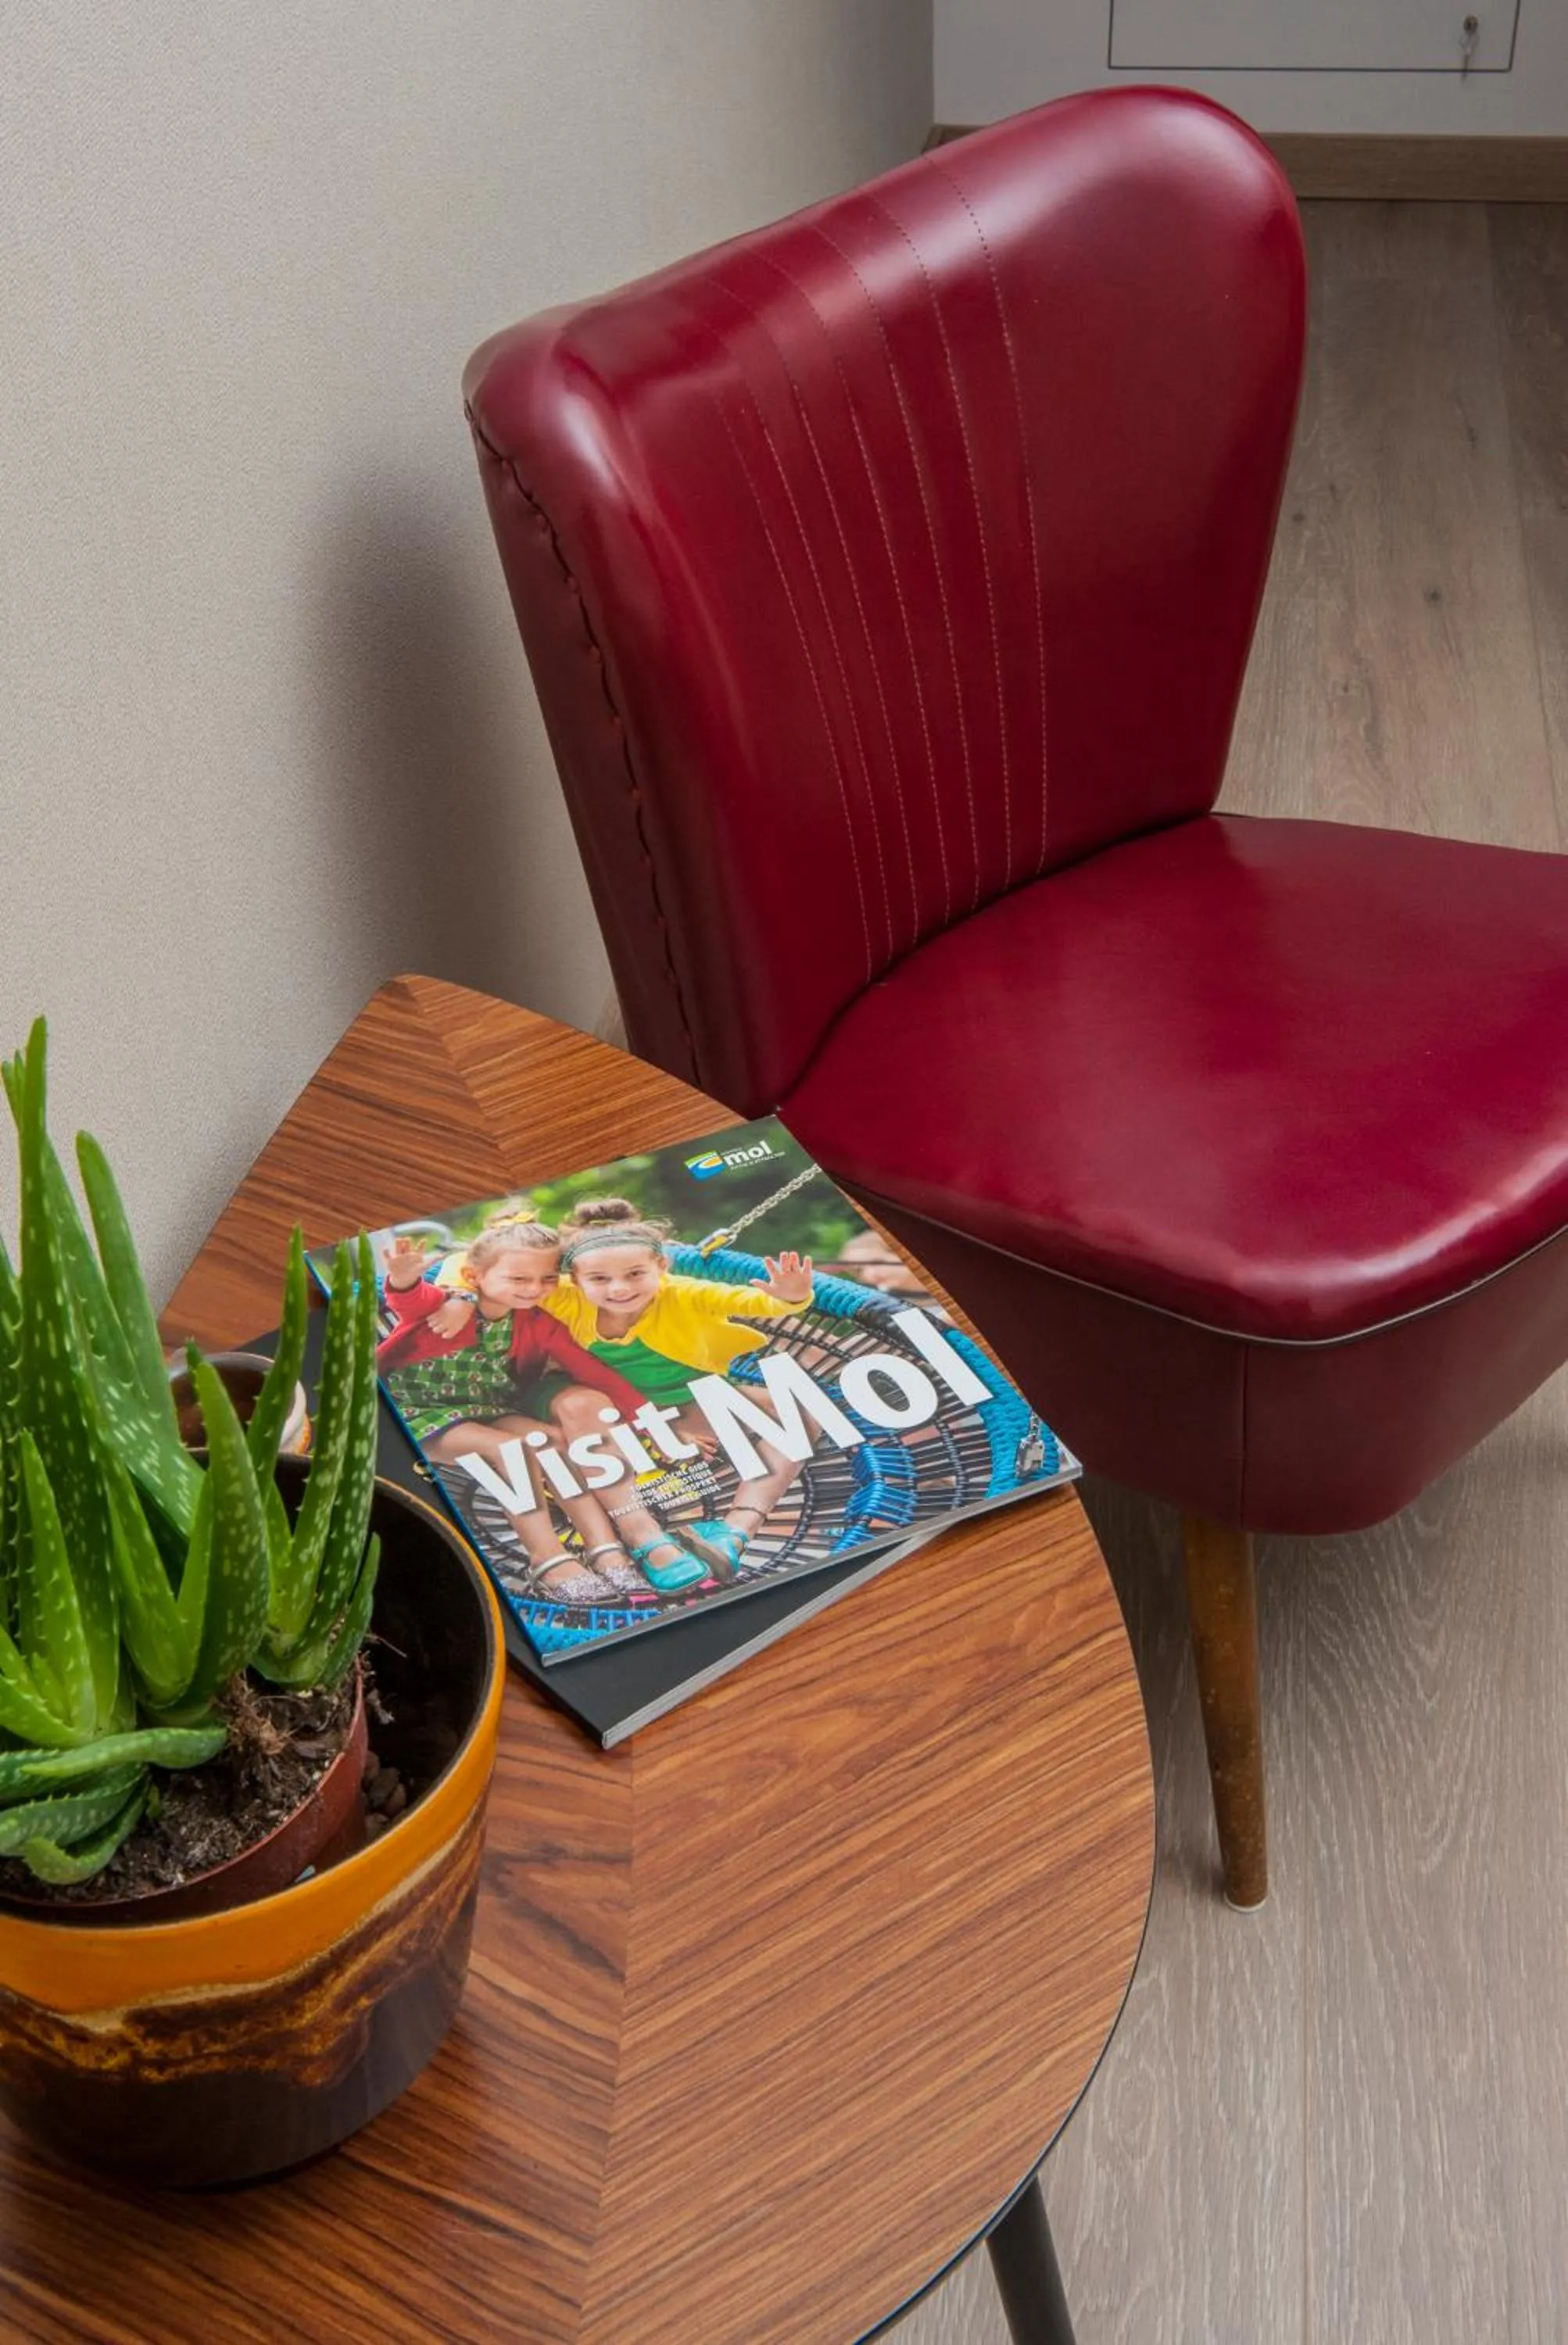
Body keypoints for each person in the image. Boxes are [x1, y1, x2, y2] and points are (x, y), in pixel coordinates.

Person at [377, 1220, 705, 1602]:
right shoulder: (447, 1305)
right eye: (519, 1279)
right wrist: (404, 1280)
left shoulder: (538, 1322)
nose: (534, 1289)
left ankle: (605, 1550)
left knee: (554, 1441)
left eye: (547, 1279)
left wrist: (651, 1423)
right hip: (415, 1412)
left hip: (488, 1409)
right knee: (509, 1450)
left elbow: (593, 1372)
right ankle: (548, 1559)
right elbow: (410, 1302)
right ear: (473, 1276)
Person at [545, 1197, 815, 1581]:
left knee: (800, 1412)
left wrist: (790, 1296)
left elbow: (746, 1300)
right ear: (575, 1280)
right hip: (618, 1418)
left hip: (693, 1402)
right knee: (580, 1407)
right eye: (600, 1279)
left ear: (662, 1266)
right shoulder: (567, 1301)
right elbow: (482, 1277)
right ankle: (646, 1540)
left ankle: (735, 1530)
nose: (619, 1289)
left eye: (635, 1274)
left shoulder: (682, 1293)